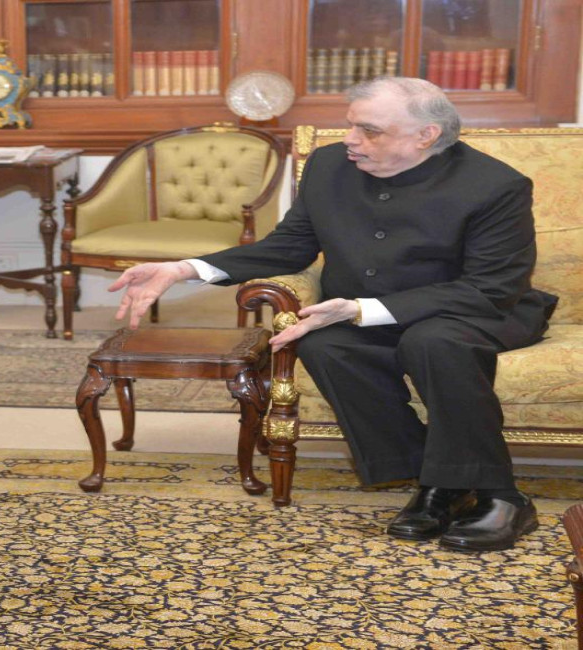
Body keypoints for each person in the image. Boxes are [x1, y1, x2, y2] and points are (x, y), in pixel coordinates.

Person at [108, 77, 556, 552]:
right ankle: (440, 481)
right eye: (351, 126)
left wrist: (362, 309)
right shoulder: (328, 166)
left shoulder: (494, 186)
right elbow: (289, 247)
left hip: (476, 308)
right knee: (326, 344)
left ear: (425, 135)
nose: (350, 140)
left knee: (433, 341)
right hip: (369, 309)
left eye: (369, 130)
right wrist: (183, 269)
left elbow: (490, 287)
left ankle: (502, 495)